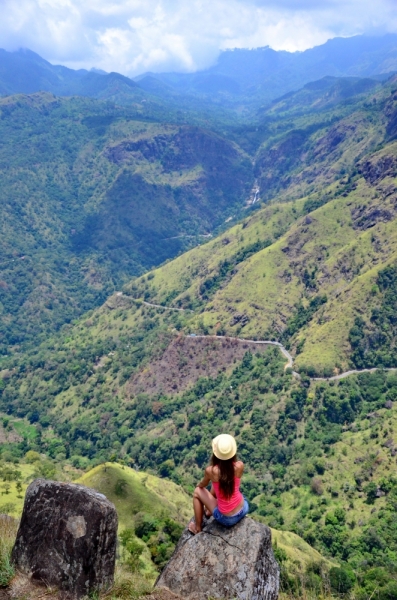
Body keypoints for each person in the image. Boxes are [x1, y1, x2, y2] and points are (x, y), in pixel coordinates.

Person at [188, 434, 249, 534]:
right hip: (243, 509)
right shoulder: (239, 466)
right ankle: (208, 511)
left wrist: (199, 485)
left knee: (197, 492)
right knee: (219, 485)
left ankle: (197, 528)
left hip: (226, 519)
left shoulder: (211, 471)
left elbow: (202, 485)